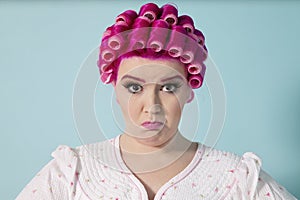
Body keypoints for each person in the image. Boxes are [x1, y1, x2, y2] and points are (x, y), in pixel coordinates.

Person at [17, 3, 297, 200]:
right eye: (134, 87)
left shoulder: (238, 178)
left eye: (168, 87)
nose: (151, 105)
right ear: (114, 88)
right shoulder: (71, 171)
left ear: (190, 90)